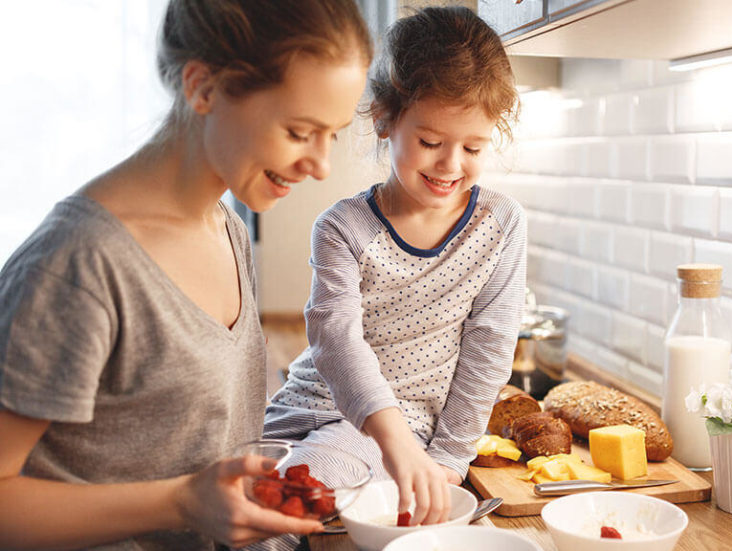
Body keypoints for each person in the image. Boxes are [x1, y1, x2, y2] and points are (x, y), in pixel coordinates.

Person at [0, 1, 372, 549]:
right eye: (299, 132)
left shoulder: (227, 226)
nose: (319, 166)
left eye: (332, 135)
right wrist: (180, 502)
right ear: (202, 87)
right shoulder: (78, 264)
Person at [259, 5, 525, 546]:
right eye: (431, 142)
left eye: (473, 147)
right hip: (301, 409)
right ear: (384, 119)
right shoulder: (343, 227)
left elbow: (489, 347)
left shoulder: (500, 225)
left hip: (390, 432)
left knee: (279, 508)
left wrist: (449, 457)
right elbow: (337, 341)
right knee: (254, 497)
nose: (451, 163)